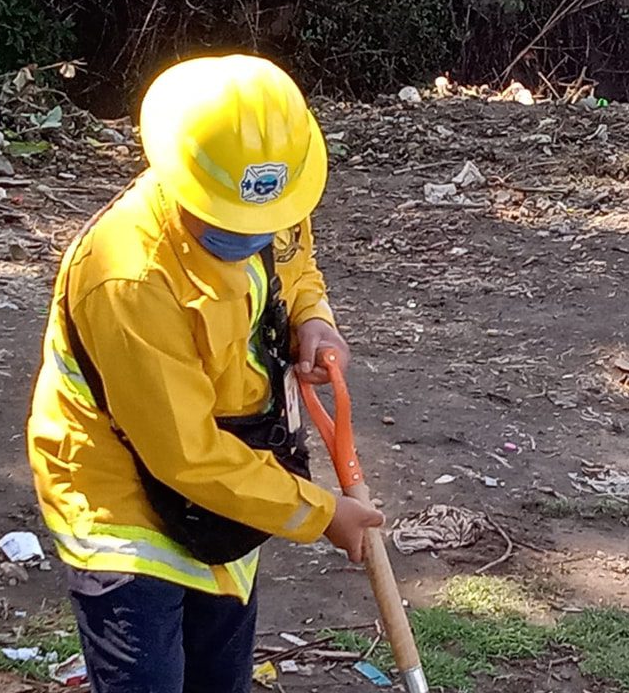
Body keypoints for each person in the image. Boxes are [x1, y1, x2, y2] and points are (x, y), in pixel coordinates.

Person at [26, 54, 384, 693]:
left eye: (264, 224)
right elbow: (183, 452)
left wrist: (312, 318)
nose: (251, 237)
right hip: (122, 504)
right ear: (181, 179)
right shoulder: (130, 278)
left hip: (230, 483)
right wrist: (318, 512)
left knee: (222, 676)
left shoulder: (265, 195)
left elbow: (293, 265)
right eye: (227, 225)